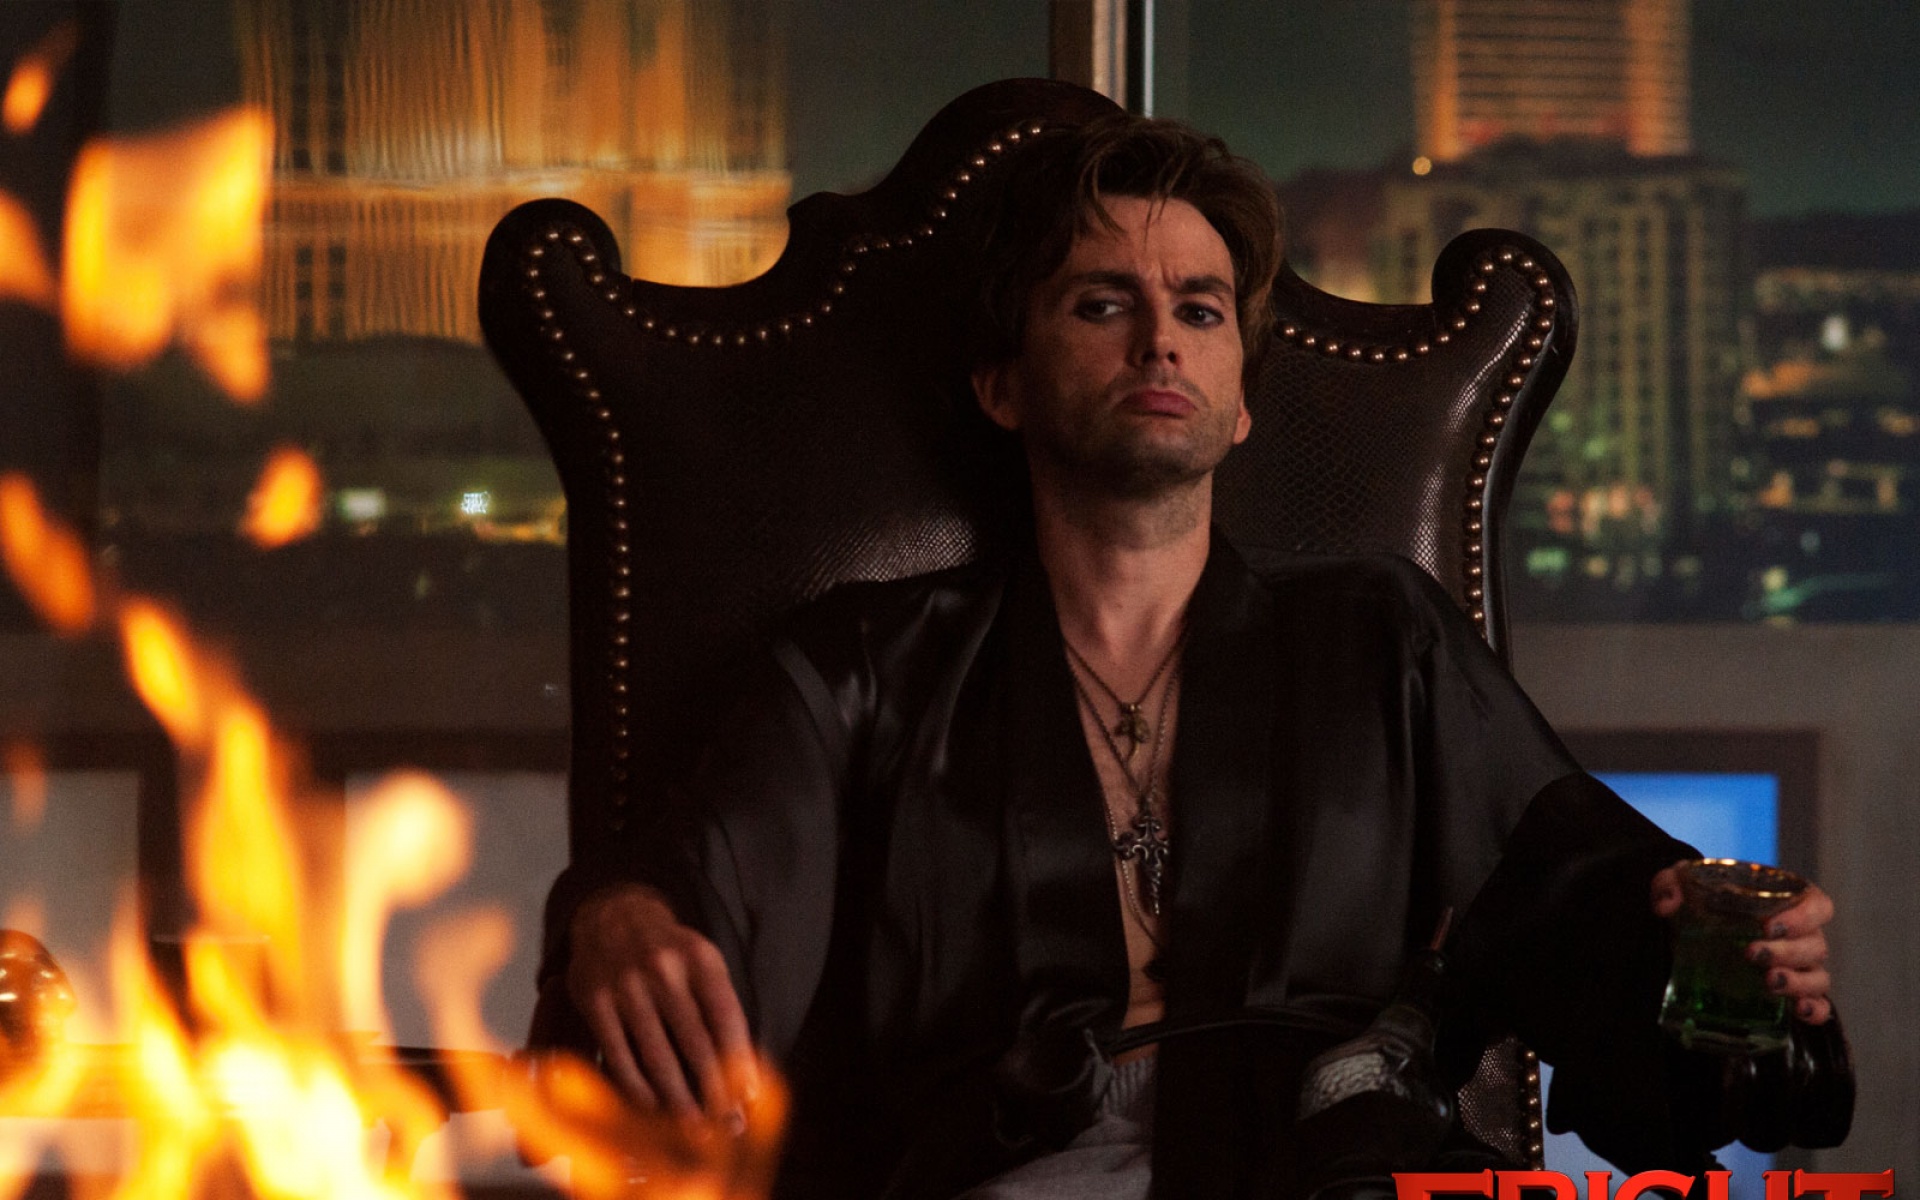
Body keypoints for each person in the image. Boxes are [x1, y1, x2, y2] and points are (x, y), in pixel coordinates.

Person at [549, 113, 1839, 1199]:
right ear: (1003, 383)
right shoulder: (863, 671)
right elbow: (695, 901)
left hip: (1331, 1170)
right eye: (1102, 302)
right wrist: (617, 914)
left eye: (1200, 308)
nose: (1160, 339)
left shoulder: (1379, 639)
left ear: (1240, 401)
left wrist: (1742, 963)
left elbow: (1588, 892)